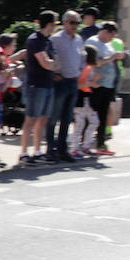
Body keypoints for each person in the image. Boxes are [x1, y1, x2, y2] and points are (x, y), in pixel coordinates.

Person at [19, 10, 59, 165]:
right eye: (55, 23)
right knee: (31, 119)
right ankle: (23, 152)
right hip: (36, 85)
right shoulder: (35, 40)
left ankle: (37, 151)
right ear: (49, 24)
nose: (56, 26)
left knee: (42, 119)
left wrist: (52, 64)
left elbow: (55, 63)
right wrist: (52, 64)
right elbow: (46, 63)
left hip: (48, 84)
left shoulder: (48, 41)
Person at [45, 10, 85, 162]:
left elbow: (82, 57)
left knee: (67, 118)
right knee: (53, 117)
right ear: (64, 22)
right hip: (60, 82)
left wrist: (79, 70)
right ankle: (50, 150)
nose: (74, 26)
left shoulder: (79, 39)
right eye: (71, 22)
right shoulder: (55, 39)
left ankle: (63, 149)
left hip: (73, 81)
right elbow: (48, 56)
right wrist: (54, 74)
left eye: (77, 23)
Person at [84, 22, 126, 154]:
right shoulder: (93, 41)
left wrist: (118, 57)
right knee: (91, 115)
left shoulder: (108, 44)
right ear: (105, 31)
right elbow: (93, 61)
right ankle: (85, 143)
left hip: (107, 85)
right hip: (97, 85)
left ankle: (101, 144)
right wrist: (112, 57)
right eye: (111, 35)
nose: (111, 38)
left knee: (103, 115)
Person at [70, 44, 102, 157]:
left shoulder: (89, 67)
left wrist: (94, 80)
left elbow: (85, 82)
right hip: (80, 98)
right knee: (80, 124)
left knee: (94, 121)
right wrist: (91, 83)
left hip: (87, 97)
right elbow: (77, 84)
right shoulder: (83, 68)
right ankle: (74, 148)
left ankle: (85, 146)